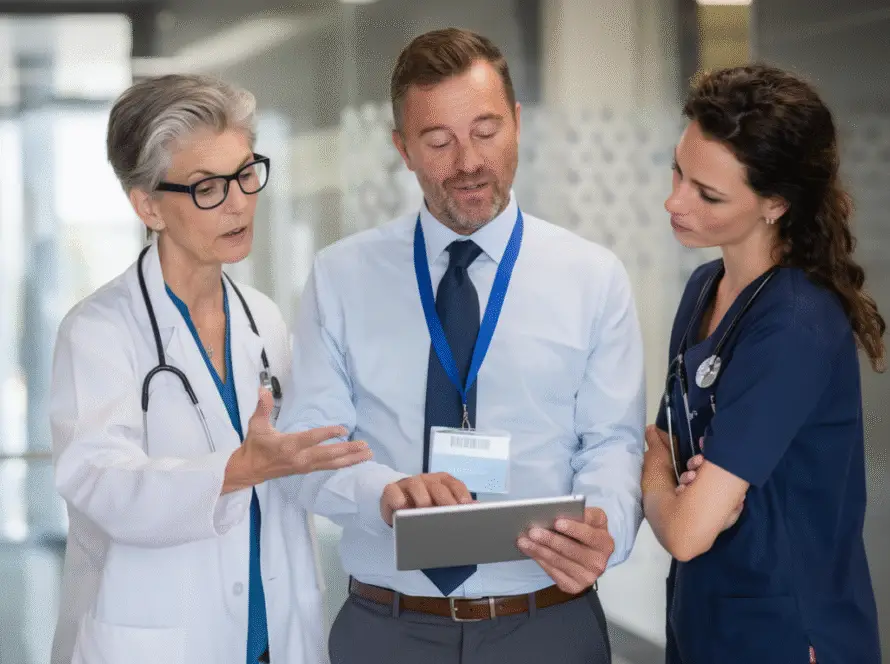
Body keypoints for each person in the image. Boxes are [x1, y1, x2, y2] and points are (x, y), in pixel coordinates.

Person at [277, 28, 646, 664]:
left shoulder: (592, 276)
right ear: (402, 148)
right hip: (387, 627)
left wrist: (603, 523)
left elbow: (612, 441)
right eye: (439, 141)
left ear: (518, 124)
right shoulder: (341, 276)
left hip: (545, 624)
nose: (469, 161)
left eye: (486, 130)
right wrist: (383, 494)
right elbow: (310, 445)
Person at [49, 74, 372, 664]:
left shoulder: (264, 319)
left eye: (246, 173)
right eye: (206, 187)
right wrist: (234, 469)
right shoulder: (98, 330)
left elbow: (297, 465)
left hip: (276, 636)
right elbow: (100, 483)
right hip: (163, 641)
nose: (239, 202)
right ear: (148, 205)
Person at [642, 64, 885, 664]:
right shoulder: (705, 287)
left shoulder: (795, 323)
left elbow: (686, 529)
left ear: (775, 203)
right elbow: (680, 481)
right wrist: (675, 484)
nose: (674, 201)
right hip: (706, 619)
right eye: (679, 170)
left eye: (709, 194)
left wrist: (655, 469)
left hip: (788, 634)